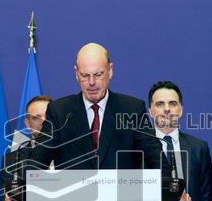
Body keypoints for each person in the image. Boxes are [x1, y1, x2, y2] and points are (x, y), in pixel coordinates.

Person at [31, 42, 161, 171]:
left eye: (98, 75)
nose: (91, 82)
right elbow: (34, 166)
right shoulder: (59, 112)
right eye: (85, 75)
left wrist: (172, 190)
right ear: (76, 73)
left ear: (110, 71)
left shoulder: (133, 110)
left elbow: (158, 162)